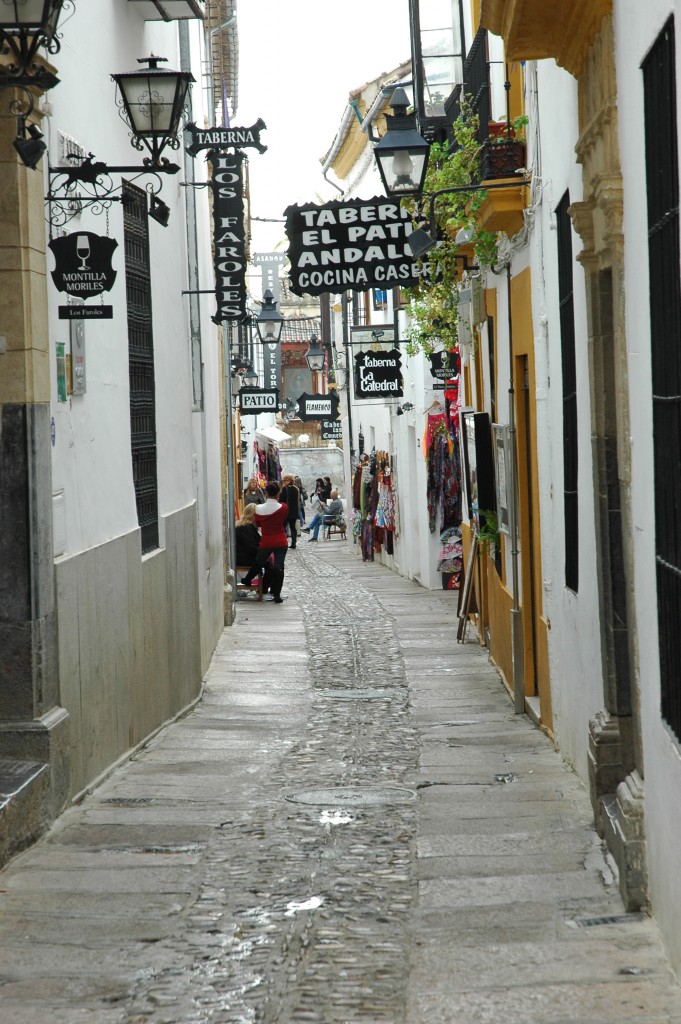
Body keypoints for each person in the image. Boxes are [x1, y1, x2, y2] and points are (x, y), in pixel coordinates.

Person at [241, 481, 289, 603]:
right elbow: (283, 522)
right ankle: (277, 594)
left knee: (259, 561)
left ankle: (247, 580)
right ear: (278, 493)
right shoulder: (283, 507)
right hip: (281, 540)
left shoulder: (258, 509)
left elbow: (260, 523)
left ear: (266, 492)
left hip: (267, 540)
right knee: (279, 567)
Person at [279, 475, 300, 549]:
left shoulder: (285, 489)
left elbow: (281, 499)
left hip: (286, 511)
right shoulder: (296, 489)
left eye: (285, 480)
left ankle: (283, 542)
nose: (284, 482)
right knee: (292, 527)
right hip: (293, 511)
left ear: (289, 480)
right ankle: (294, 543)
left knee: (282, 527)